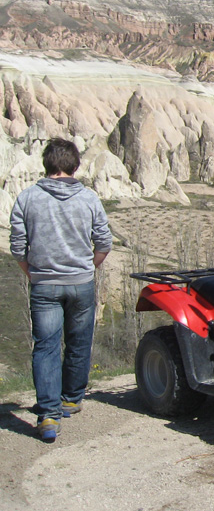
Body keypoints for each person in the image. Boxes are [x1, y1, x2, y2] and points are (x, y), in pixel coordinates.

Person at [9, 138, 113, 442]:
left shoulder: (27, 198)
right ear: (74, 165)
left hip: (44, 285)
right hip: (80, 283)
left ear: (47, 164)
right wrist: (87, 268)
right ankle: (70, 400)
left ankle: (49, 416)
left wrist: (34, 273)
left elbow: (17, 247)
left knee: (45, 348)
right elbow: (104, 243)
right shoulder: (89, 198)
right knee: (79, 343)